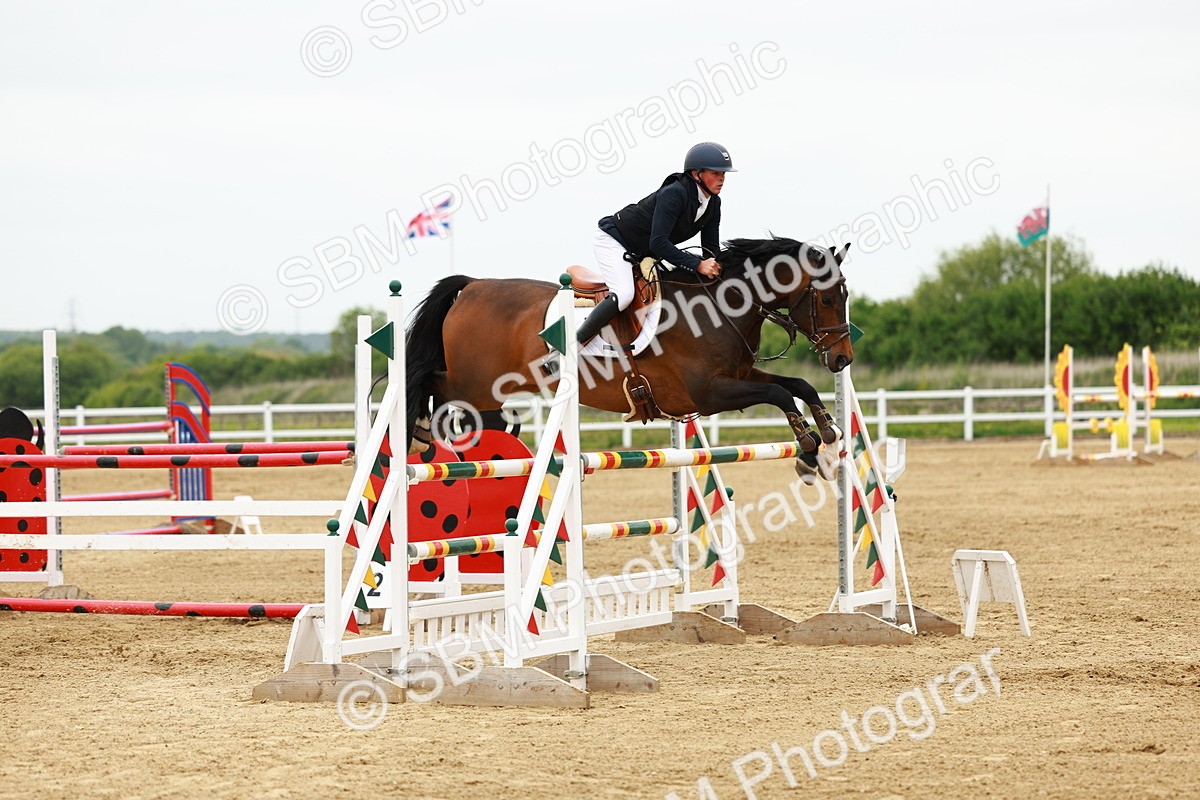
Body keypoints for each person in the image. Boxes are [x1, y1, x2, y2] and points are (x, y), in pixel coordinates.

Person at [576, 141, 735, 344]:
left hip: (644, 252)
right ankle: (573, 344)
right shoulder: (675, 193)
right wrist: (697, 265)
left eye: (724, 174)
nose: (722, 179)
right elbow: (658, 243)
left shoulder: (713, 202)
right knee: (624, 294)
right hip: (614, 240)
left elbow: (710, 249)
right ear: (696, 174)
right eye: (715, 173)